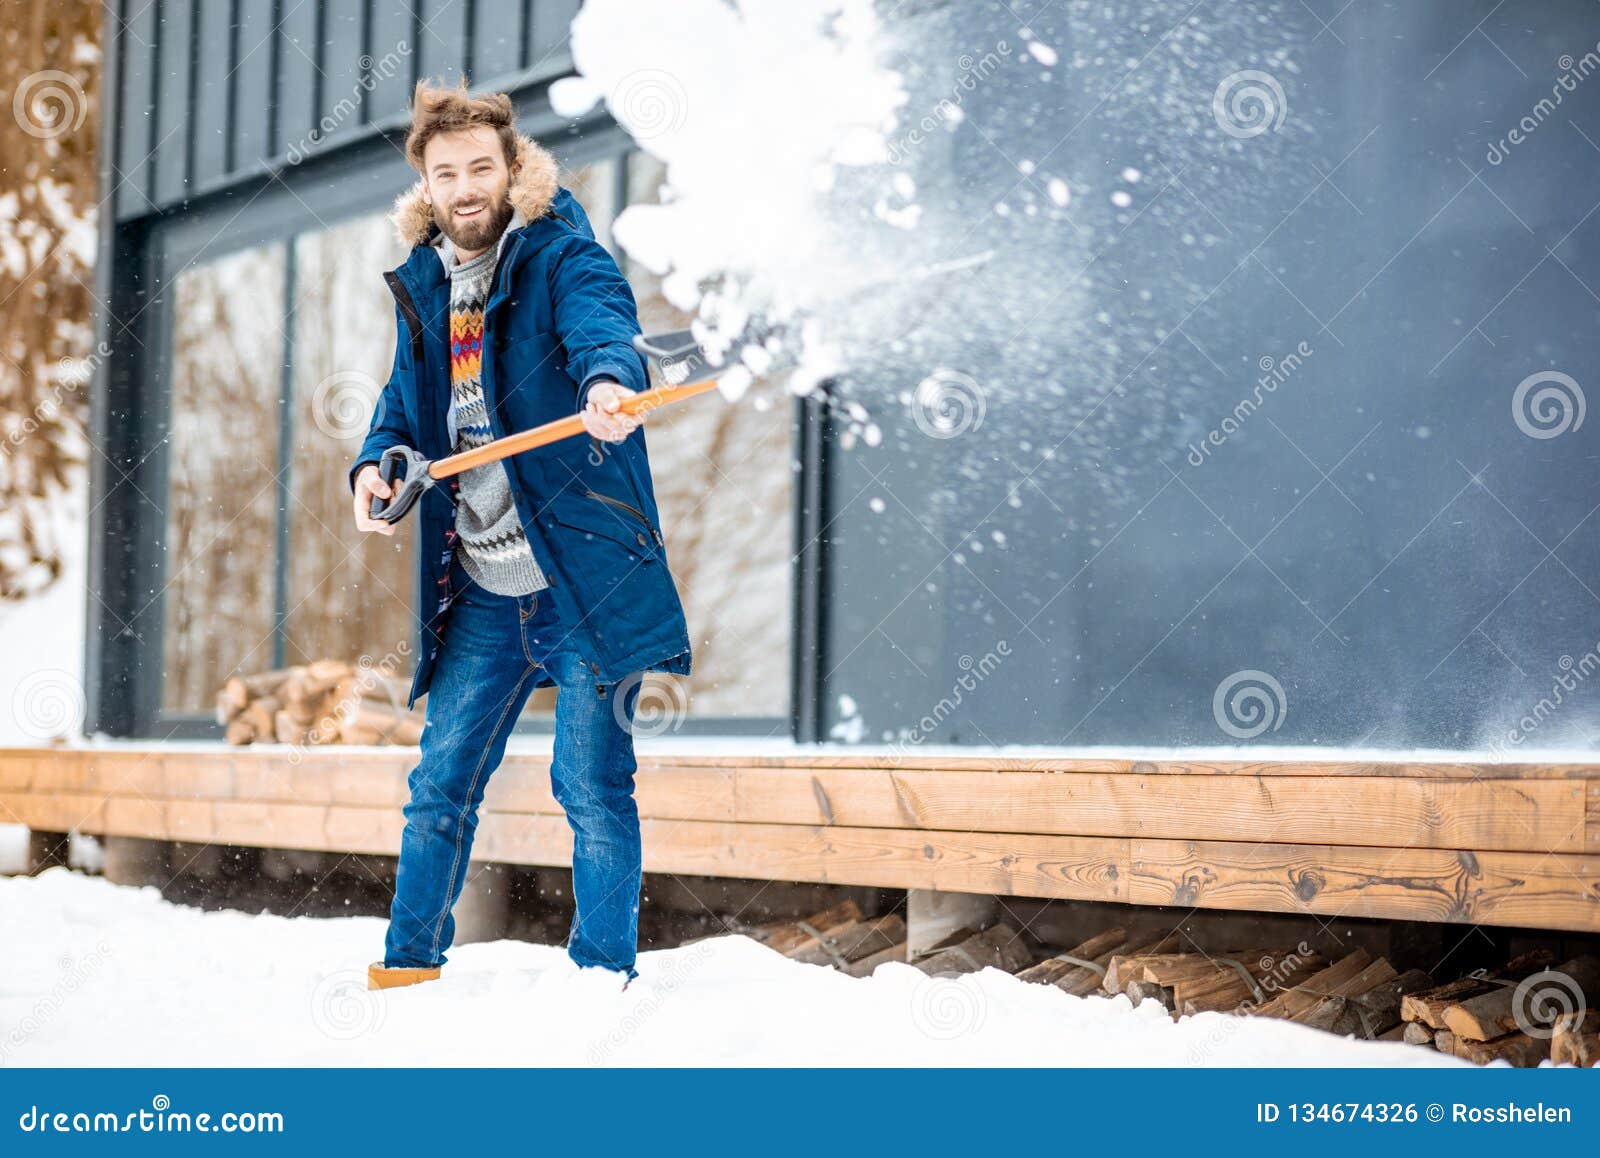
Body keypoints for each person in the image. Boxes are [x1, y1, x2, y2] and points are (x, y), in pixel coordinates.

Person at [349, 78, 692, 991]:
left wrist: (606, 385)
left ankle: (599, 983)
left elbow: (602, 327)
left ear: (511, 171)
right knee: (439, 789)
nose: (465, 187)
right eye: (445, 171)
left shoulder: (557, 254)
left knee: (590, 788)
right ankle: (406, 975)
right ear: (426, 183)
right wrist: (375, 461)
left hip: (582, 576)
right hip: (485, 589)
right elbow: (400, 402)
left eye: (480, 168)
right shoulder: (422, 282)